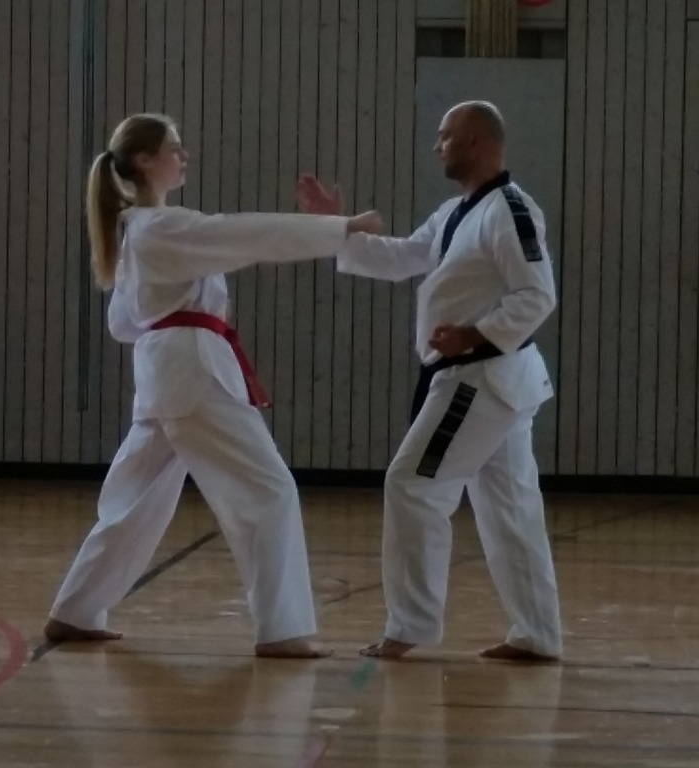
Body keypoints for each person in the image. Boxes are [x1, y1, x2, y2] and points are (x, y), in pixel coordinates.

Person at [43, 113, 383, 658]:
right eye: (174, 148)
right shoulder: (159, 227)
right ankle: (283, 629)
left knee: (135, 501)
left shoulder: (137, 233)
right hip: (193, 372)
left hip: (165, 374)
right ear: (146, 161)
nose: (184, 157)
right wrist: (340, 227)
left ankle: (76, 610)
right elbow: (243, 233)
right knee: (268, 490)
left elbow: (122, 324)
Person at [298, 100, 562, 661]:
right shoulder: (456, 212)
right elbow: (403, 258)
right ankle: (538, 634)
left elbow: (538, 295)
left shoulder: (511, 210)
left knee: (413, 484)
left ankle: (411, 624)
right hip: (489, 380)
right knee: (510, 509)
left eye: (446, 136)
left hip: (480, 377)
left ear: (476, 141)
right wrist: (335, 229)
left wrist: (475, 333)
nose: (437, 145)